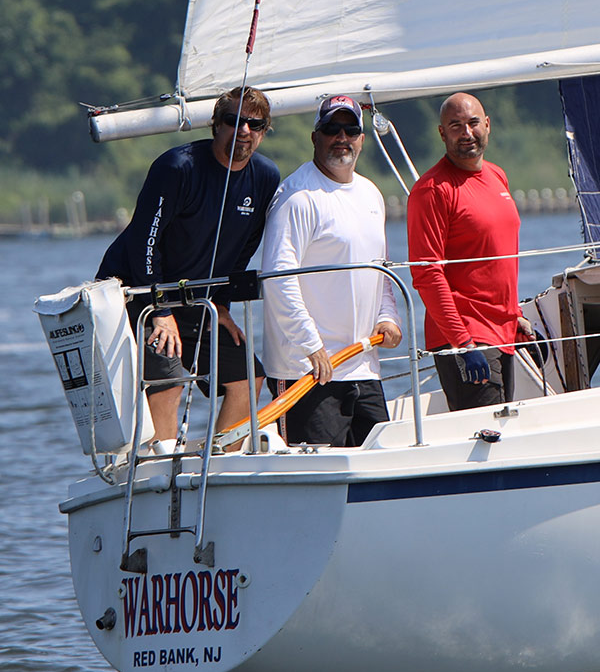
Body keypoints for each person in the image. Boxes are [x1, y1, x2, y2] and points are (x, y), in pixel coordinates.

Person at [97, 86, 280, 444]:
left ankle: (219, 462)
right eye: (234, 120)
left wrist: (222, 305)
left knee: (248, 375)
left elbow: (244, 249)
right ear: (216, 124)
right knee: (169, 379)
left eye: (254, 124)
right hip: (141, 289)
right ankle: (162, 462)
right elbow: (143, 241)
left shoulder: (265, 177)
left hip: (198, 298)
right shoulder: (177, 168)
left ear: (263, 131)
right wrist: (161, 309)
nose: (243, 130)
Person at [261, 94, 402, 447]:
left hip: (362, 365)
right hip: (307, 370)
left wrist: (388, 317)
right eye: (331, 129)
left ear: (362, 139)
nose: (342, 137)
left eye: (350, 129)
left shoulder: (371, 194)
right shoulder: (297, 197)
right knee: (313, 477)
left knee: (378, 467)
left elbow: (379, 270)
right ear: (315, 137)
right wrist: (312, 345)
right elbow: (278, 280)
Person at [407, 91, 534, 411]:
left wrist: (514, 314)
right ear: (441, 133)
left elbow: (498, 254)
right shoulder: (432, 191)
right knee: (485, 435)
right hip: (466, 336)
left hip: (502, 331)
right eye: (455, 125)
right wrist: (461, 342)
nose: (466, 133)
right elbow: (426, 273)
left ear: (487, 125)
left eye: (473, 123)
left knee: (504, 429)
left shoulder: (497, 175)